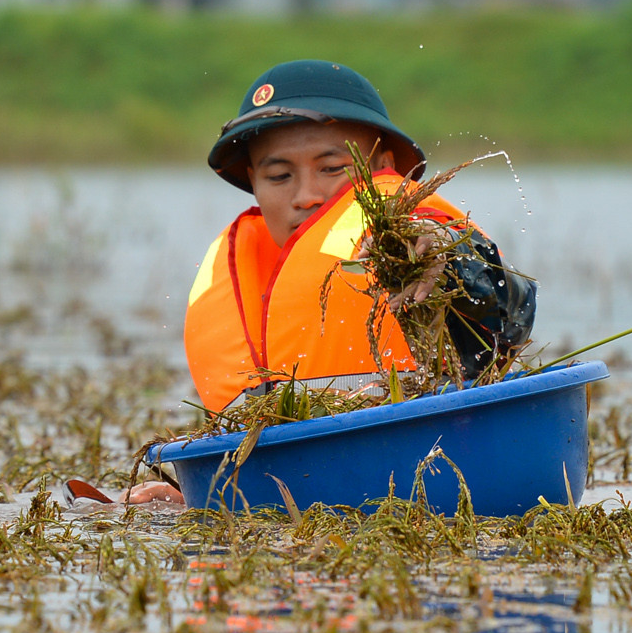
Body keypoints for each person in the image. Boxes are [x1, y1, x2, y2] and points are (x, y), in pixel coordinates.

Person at [182, 59, 535, 417]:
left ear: (382, 165)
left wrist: (450, 259)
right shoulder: (243, 258)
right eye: (278, 176)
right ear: (252, 180)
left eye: (333, 168)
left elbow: (515, 307)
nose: (306, 195)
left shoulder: (416, 230)